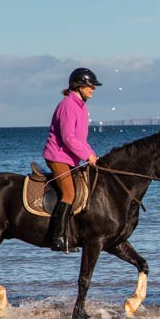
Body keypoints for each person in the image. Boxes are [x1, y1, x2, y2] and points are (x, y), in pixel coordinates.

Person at [42, 67, 102, 252]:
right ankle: (57, 239)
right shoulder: (68, 105)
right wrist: (86, 155)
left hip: (70, 158)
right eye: (90, 85)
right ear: (78, 85)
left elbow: (80, 140)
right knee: (70, 194)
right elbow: (68, 138)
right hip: (57, 156)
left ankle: (72, 234)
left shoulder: (82, 107)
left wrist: (92, 154)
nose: (93, 88)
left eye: (93, 85)